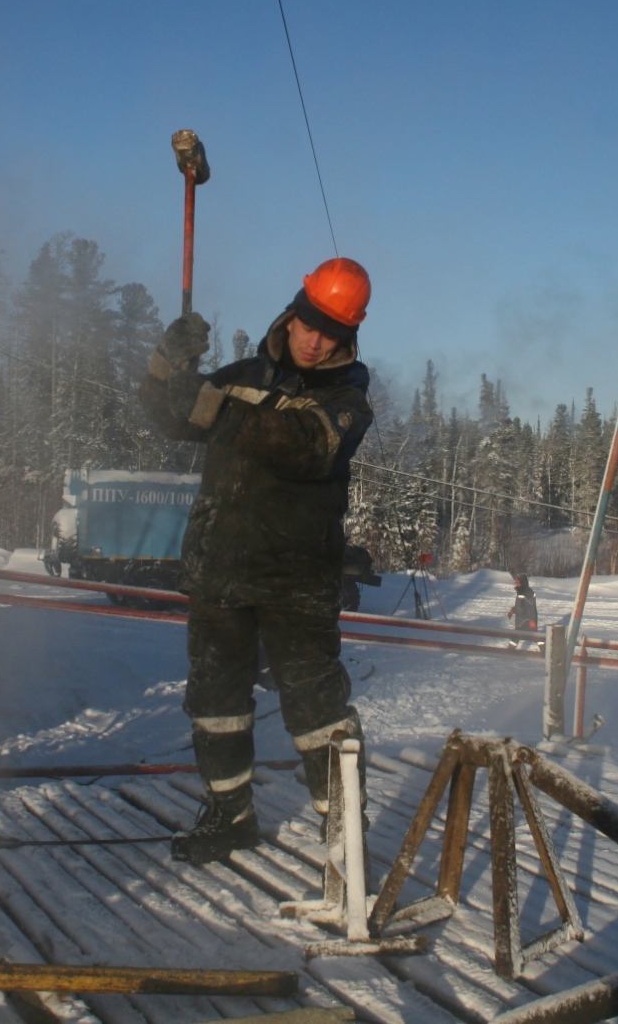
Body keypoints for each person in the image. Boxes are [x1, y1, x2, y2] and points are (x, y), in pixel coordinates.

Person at [140, 258, 374, 864]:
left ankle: (344, 834)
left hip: (296, 579)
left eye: (333, 333)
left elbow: (303, 447)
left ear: (349, 336)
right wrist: (170, 363)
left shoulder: (347, 399)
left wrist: (218, 408)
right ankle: (230, 816)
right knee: (215, 703)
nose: (316, 341)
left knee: (316, 709)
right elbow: (171, 416)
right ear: (294, 312)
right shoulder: (241, 376)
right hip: (221, 571)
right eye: (311, 324)